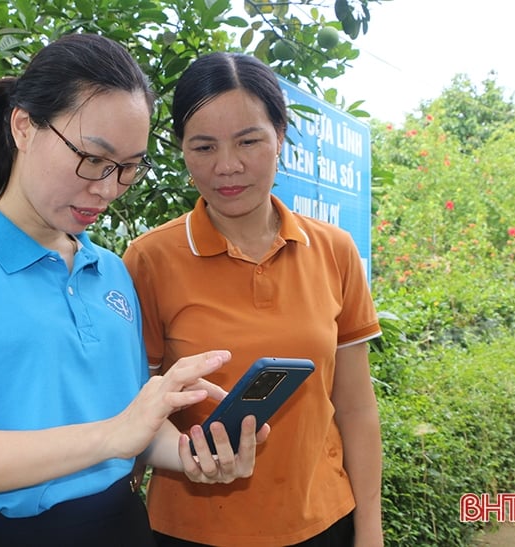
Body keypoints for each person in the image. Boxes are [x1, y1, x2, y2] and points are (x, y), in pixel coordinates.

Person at [0, 35, 268, 546]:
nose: (106, 188)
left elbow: (136, 427)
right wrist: (111, 436)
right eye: (91, 157)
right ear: (24, 126)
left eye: (128, 167)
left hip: (125, 527)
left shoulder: (108, 271)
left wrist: (196, 455)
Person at [123, 52, 384, 547]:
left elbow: (354, 406)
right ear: (181, 150)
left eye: (249, 141)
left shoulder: (334, 250)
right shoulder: (149, 259)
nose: (228, 166)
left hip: (323, 519)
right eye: (203, 147)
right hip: (192, 530)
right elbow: (136, 407)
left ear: (280, 137)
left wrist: (369, 529)